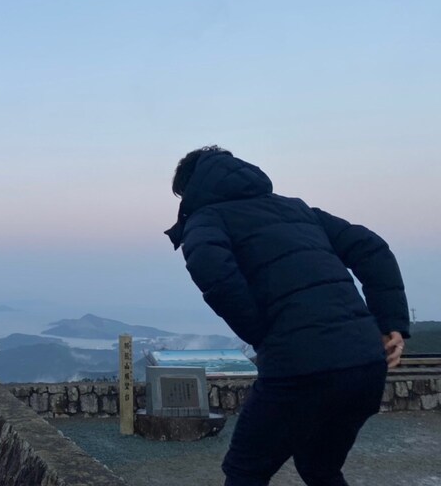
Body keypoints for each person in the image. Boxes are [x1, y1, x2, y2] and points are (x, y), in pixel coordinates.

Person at [165, 146, 409, 486]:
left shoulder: (208, 219)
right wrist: (390, 322)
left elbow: (212, 270)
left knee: (245, 471)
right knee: (320, 468)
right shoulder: (298, 210)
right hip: (365, 365)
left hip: (299, 368)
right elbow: (371, 248)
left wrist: (260, 332)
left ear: (190, 189)